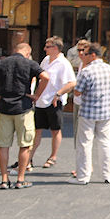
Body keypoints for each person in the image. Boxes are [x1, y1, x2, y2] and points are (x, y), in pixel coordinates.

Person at [0, 42, 49, 189]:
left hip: (4, 108)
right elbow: (45, 77)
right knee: (25, 145)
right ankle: (20, 179)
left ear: (14, 50)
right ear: (28, 53)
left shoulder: (1, 63)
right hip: (23, 107)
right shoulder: (30, 64)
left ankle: (4, 180)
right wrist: (36, 95)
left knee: (3, 145)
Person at [71, 43, 110, 185]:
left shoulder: (87, 71)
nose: (82, 56)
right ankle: (109, 174)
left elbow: (77, 91)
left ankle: (83, 176)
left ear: (92, 55)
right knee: (105, 142)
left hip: (88, 111)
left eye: (85, 54)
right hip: (105, 111)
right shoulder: (109, 69)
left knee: (85, 144)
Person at [31, 37, 76, 169]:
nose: (45, 49)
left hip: (54, 101)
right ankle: (29, 157)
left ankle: (53, 156)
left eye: (48, 46)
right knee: (37, 130)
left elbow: (71, 82)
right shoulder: (46, 60)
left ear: (55, 48)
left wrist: (58, 94)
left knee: (55, 130)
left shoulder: (63, 63)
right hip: (41, 100)